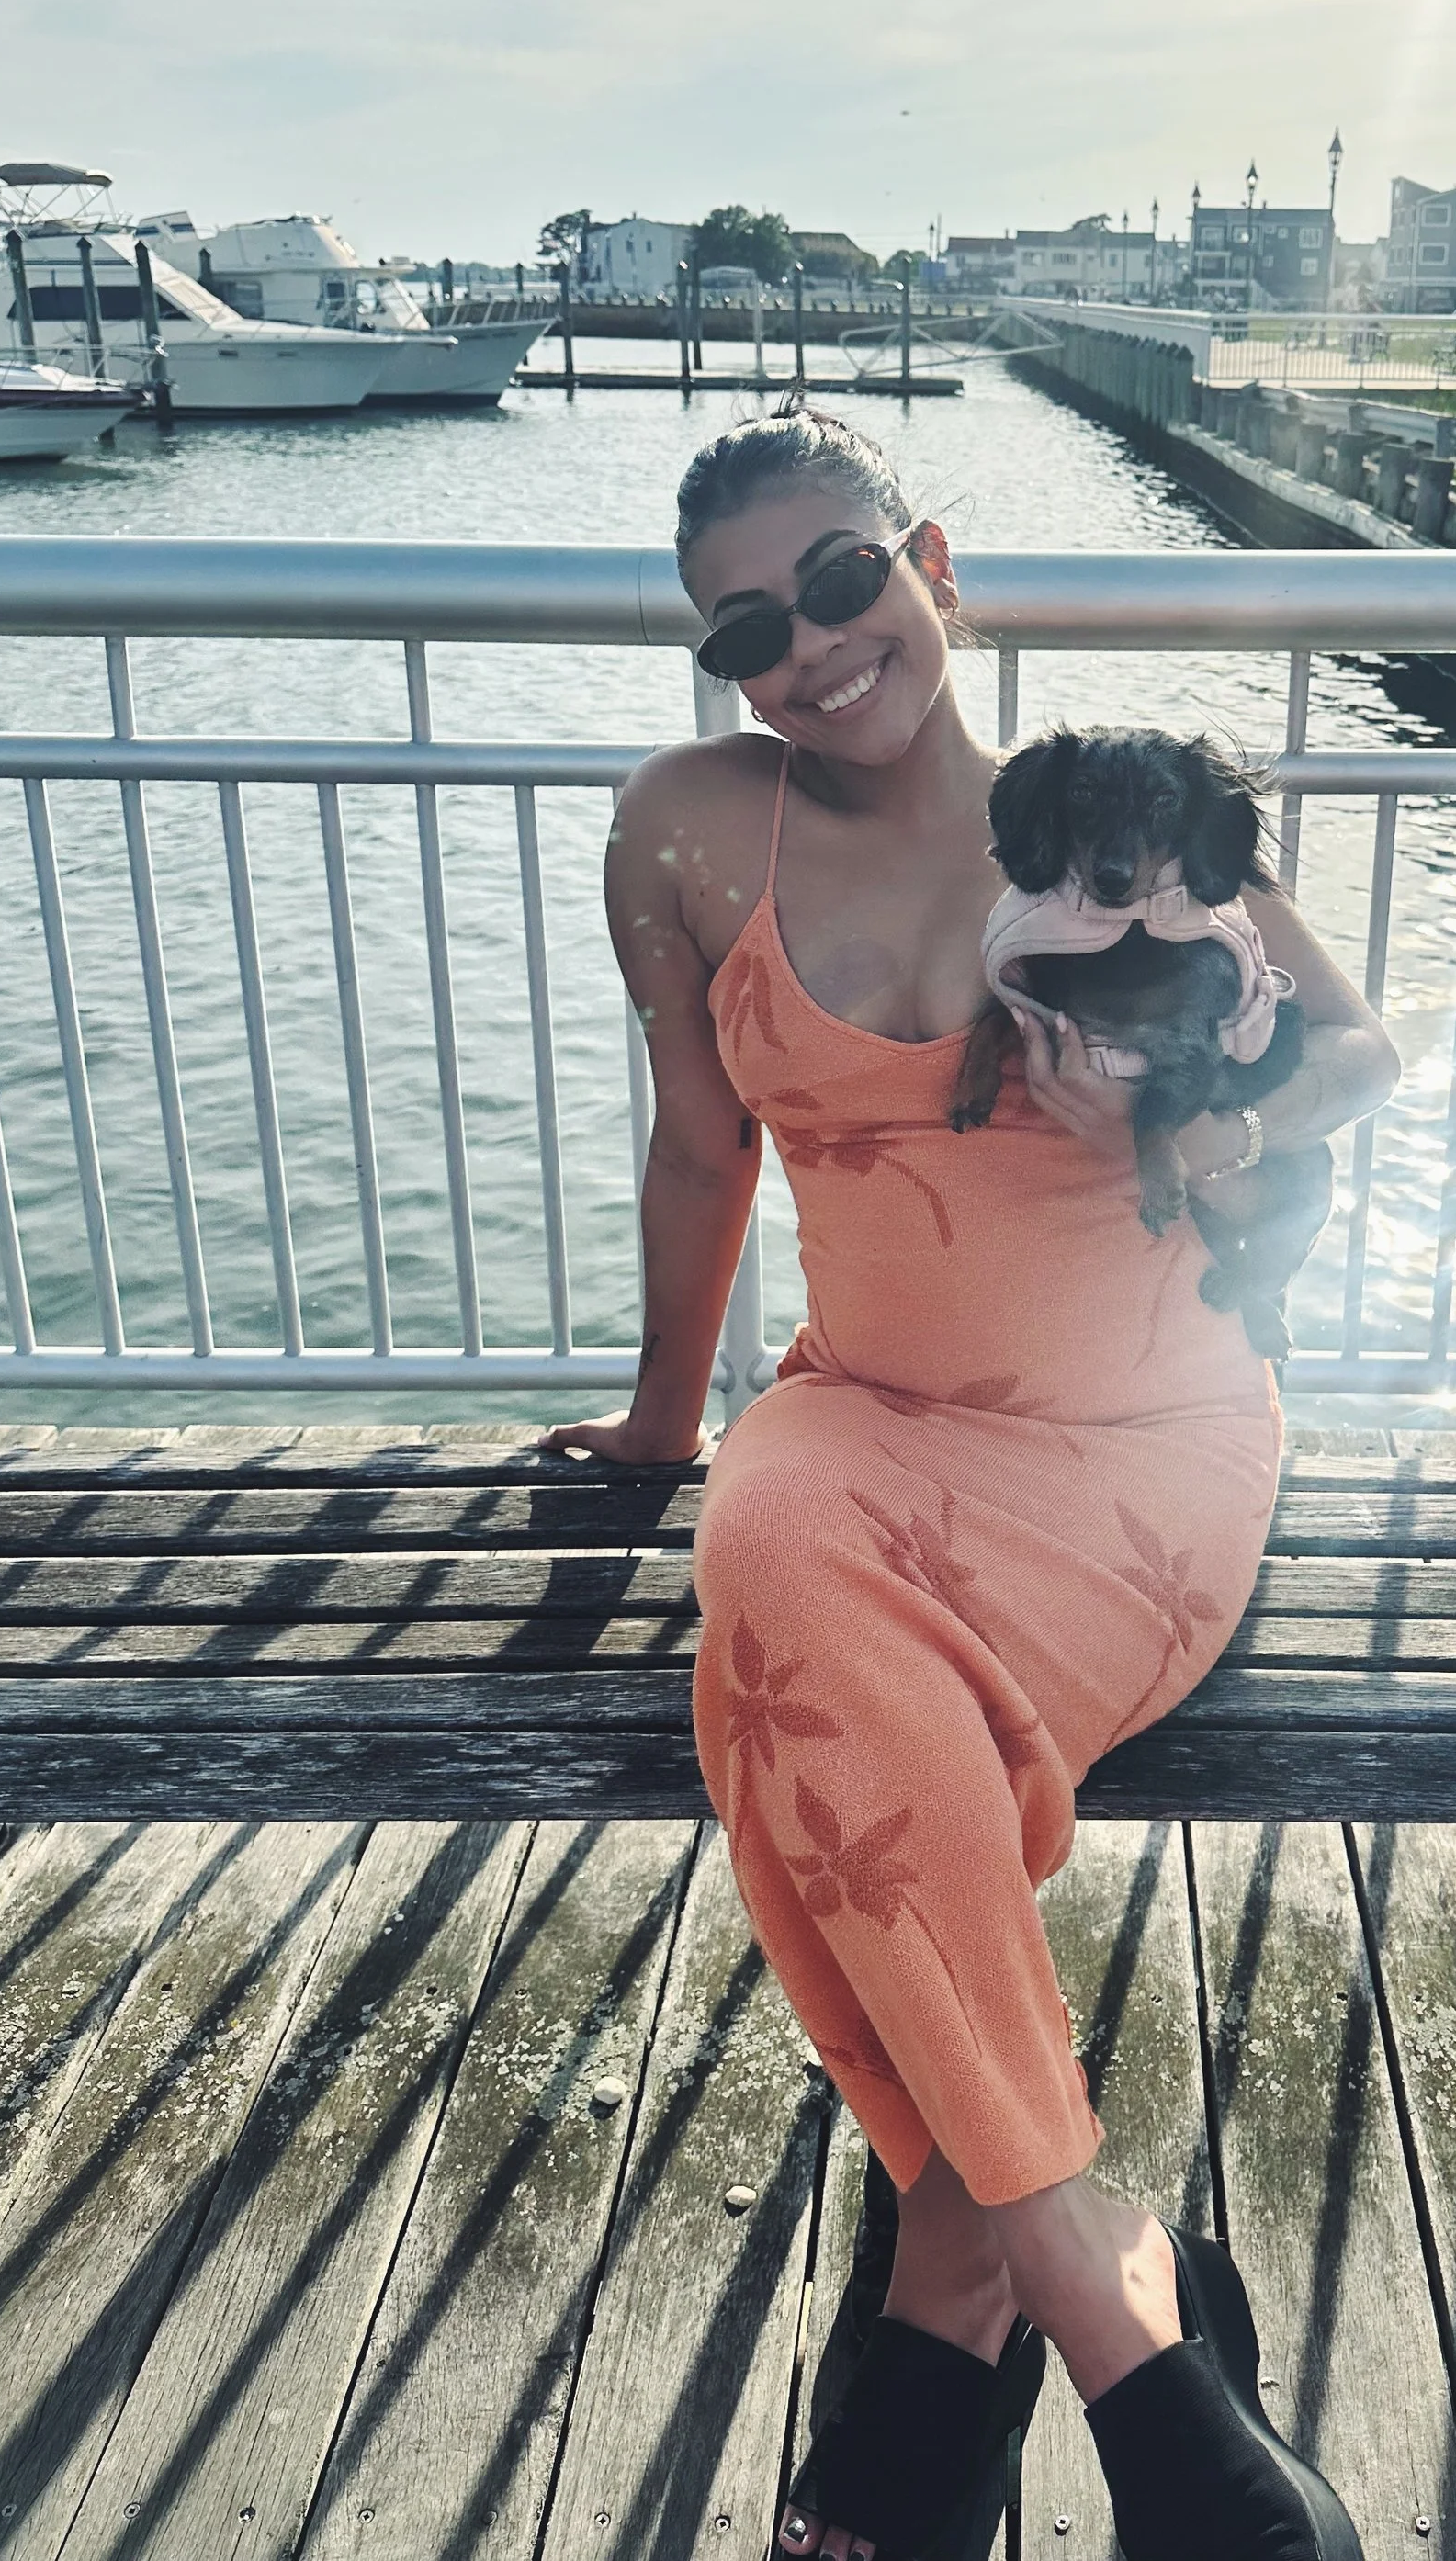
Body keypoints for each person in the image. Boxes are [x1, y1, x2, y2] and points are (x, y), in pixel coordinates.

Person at [545, 410, 1397, 2559]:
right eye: (748, 620)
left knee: (788, 1682)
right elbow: (693, 1150)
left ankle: (957, 2302)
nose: (811, 645)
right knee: (761, 1529)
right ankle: (1122, 2332)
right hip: (861, 1415)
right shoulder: (684, 833)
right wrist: (663, 1423)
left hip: (1140, 1456)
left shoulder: (1107, 819)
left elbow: (1335, 1049)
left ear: (928, 559)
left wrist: (1232, 1133)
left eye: (841, 578)